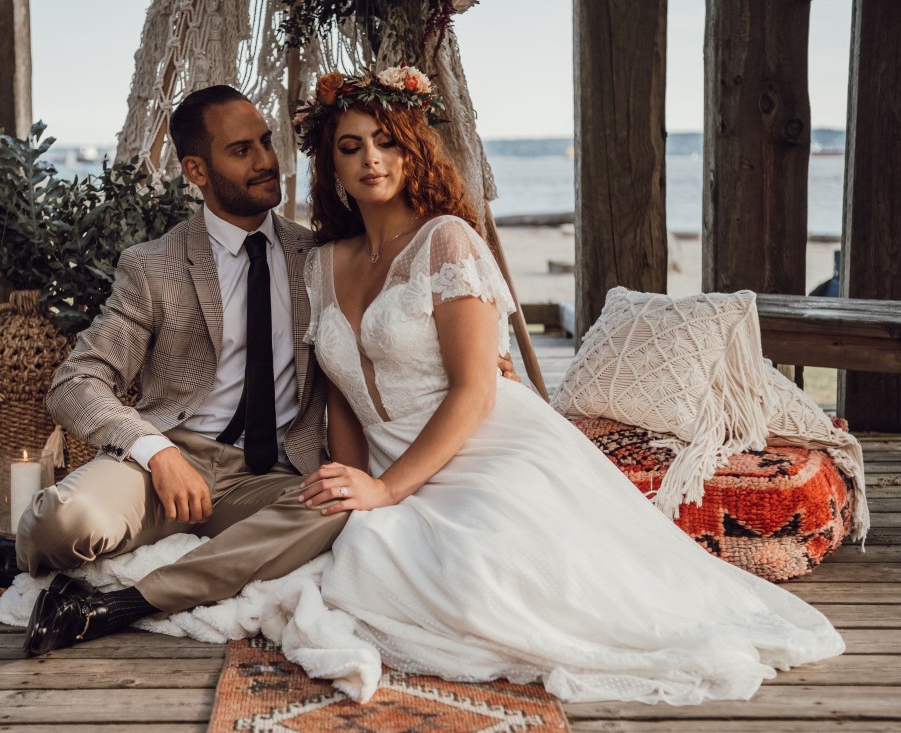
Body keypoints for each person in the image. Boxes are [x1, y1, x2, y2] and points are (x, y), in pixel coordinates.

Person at [0, 83, 520, 656]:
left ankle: (123, 602)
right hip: (171, 457)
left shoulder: (320, 259)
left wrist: (473, 352)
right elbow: (76, 380)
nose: (266, 162)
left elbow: (381, 337)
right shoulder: (154, 265)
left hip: (273, 471)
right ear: (196, 170)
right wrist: (154, 451)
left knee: (336, 512)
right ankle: (8, 557)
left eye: (267, 143)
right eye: (241, 150)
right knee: (69, 522)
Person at [287, 67, 845, 704]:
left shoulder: (446, 241)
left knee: (476, 577)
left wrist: (387, 490)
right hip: (387, 455)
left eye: (386, 141)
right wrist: (355, 491)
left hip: (485, 442)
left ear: (413, 149)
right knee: (362, 559)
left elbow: (475, 390)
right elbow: (341, 395)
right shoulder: (322, 264)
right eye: (350, 147)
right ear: (330, 165)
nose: (372, 160)